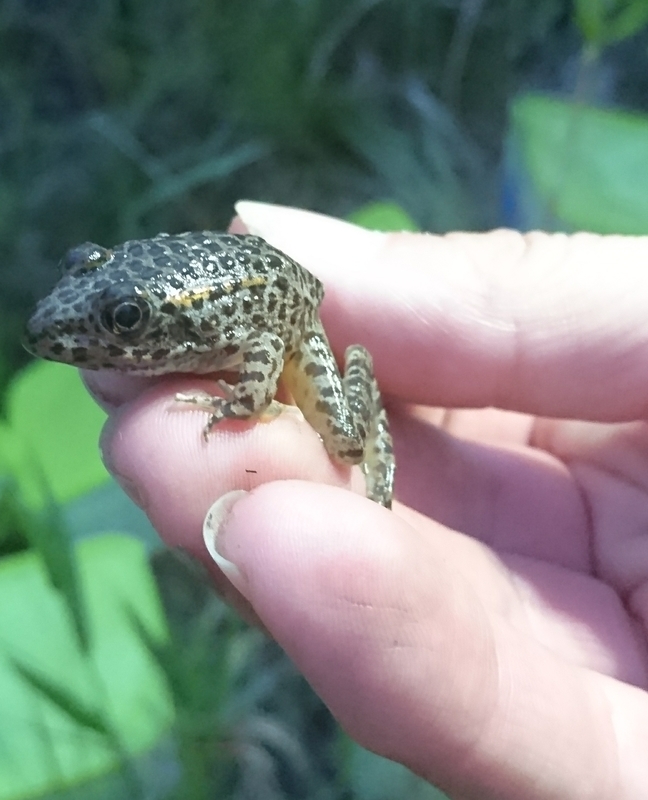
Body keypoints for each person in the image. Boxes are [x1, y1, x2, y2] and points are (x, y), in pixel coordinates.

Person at [85, 201, 648, 800]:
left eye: (123, 319)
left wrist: (244, 402)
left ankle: (368, 387)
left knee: (346, 443)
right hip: (245, 284)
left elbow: (266, 342)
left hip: (293, 317)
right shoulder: (174, 315)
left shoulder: (221, 323)